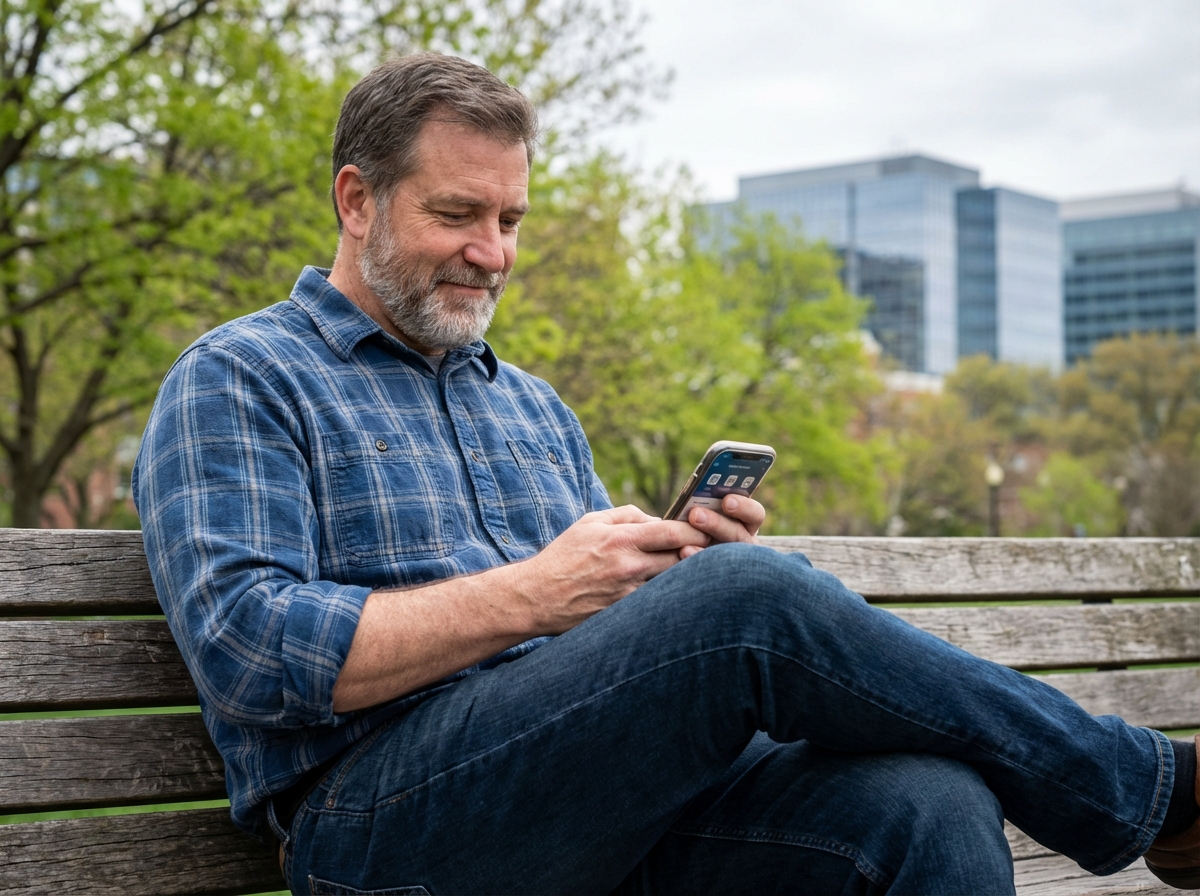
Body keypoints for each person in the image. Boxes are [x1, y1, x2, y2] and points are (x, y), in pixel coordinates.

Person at [133, 52, 1199, 896]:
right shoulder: (240, 376)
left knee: (928, 803)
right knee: (748, 600)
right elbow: (250, 647)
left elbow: (594, 648)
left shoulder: (532, 404)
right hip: (379, 831)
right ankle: (1156, 792)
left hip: (594, 804)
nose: (493, 253)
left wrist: (655, 578)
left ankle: (1131, 792)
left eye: (509, 221)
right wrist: (548, 593)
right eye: (457, 214)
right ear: (356, 200)